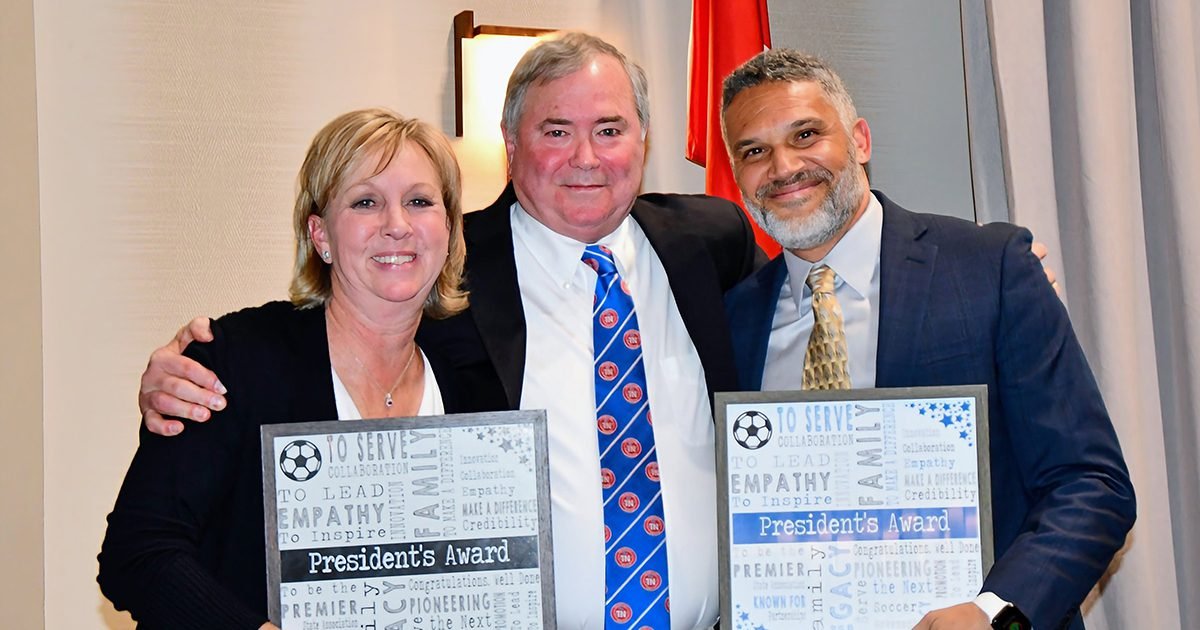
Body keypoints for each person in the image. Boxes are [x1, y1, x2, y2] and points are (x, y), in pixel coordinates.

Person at [135, 33, 760, 628]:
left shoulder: (710, 242)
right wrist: (174, 376)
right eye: (556, 131)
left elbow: (813, 280)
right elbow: (152, 541)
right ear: (511, 147)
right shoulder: (443, 284)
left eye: (609, 130)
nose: (586, 157)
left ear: (643, 140)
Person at [720, 49, 1135, 630]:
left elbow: (1092, 485)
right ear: (736, 173)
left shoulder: (990, 268)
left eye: (806, 134)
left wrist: (993, 613)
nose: (784, 167)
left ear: (860, 140)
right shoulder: (732, 321)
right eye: (753, 151)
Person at [97, 109, 478, 628]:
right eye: (366, 202)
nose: (397, 225)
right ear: (320, 234)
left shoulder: (471, 375)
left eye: (419, 201)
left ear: (450, 228)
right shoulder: (234, 359)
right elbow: (137, 554)